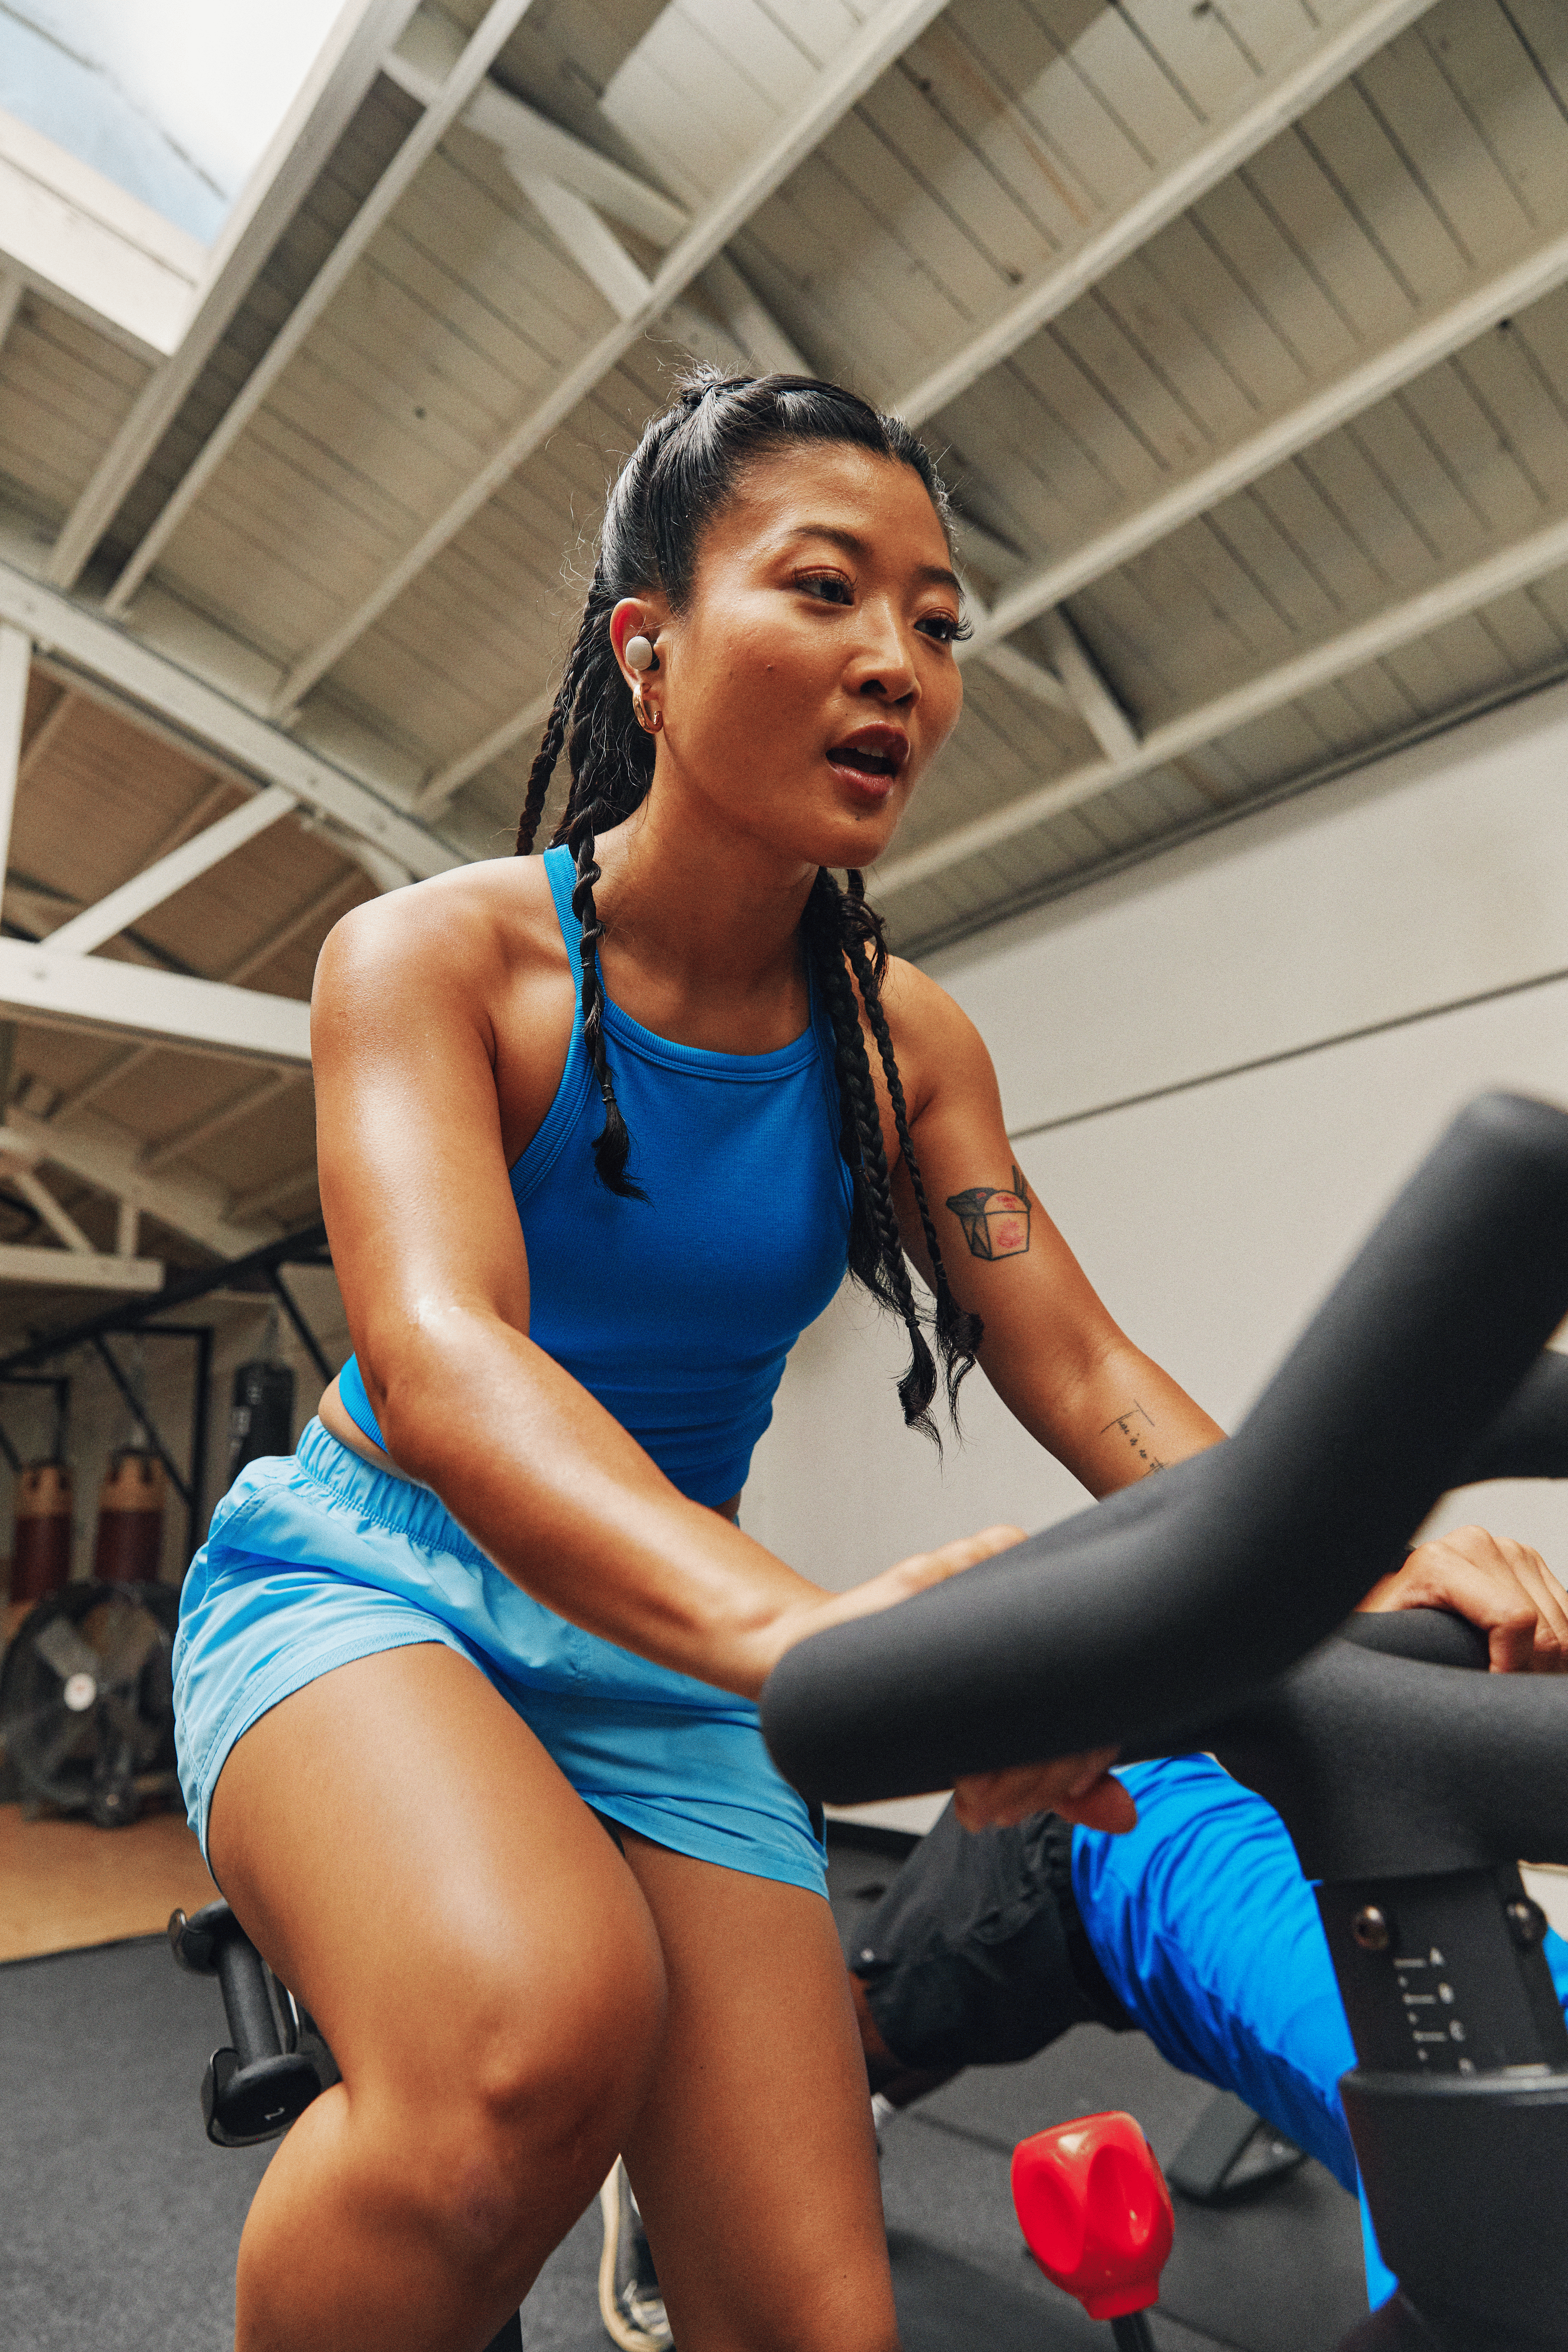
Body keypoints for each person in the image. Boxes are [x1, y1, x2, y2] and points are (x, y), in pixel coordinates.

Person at [167, 369, 1567, 2352]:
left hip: (677, 1667)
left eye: (935, 621)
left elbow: (1073, 1365)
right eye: (824, 591)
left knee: (820, 2328)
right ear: (646, 652)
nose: (895, 662)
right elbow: (447, 1359)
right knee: (527, 2041)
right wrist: (808, 1638)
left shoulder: (903, 1049)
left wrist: (1347, 1539)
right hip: (376, 1586)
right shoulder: (437, 961)